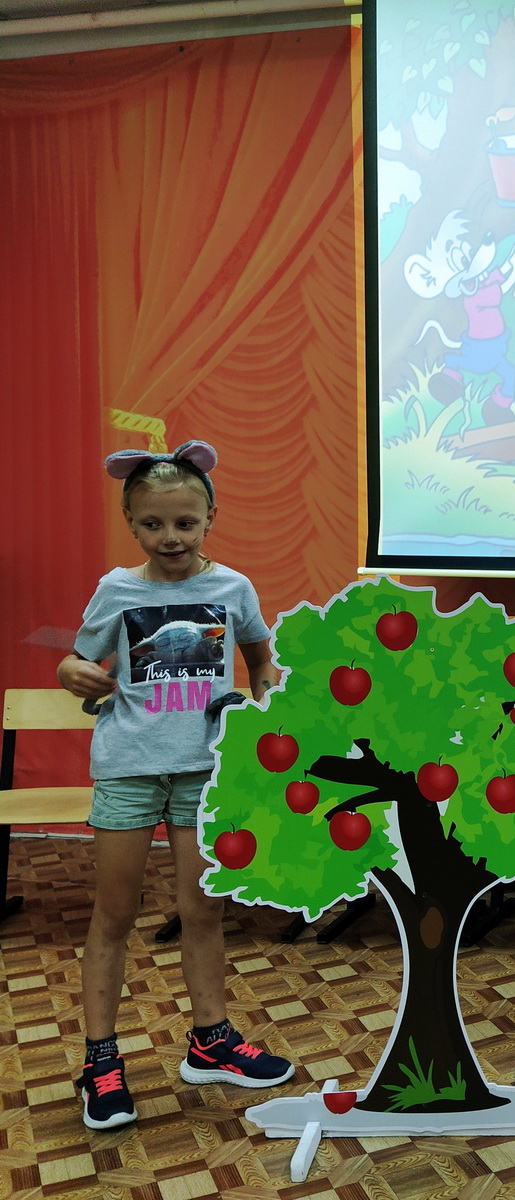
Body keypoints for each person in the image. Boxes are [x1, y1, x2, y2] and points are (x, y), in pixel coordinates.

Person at [57, 441, 294, 1131]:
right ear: (131, 523)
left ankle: (211, 1042)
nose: (171, 538)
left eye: (186, 523)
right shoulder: (117, 589)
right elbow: (77, 661)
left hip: (205, 770)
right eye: (153, 524)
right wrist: (73, 673)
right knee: (115, 916)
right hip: (129, 768)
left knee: (204, 912)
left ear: (210, 518)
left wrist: (264, 704)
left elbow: (260, 658)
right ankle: (101, 1063)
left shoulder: (233, 589)